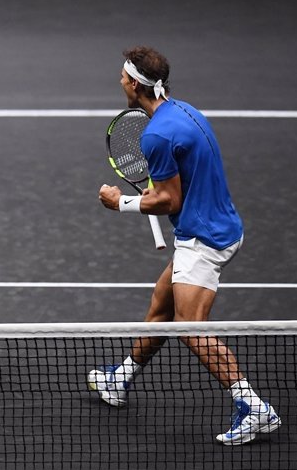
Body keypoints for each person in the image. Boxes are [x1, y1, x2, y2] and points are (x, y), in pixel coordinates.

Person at [88, 46, 281, 445]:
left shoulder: (157, 134)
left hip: (204, 240)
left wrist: (120, 202)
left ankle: (254, 407)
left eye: (123, 76)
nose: (119, 81)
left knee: (190, 327)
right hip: (220, 224)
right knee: (162, 303)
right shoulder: (184, 111)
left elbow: (167, 201)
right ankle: (119, 378)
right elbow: (179, 180)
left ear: (135, 83)